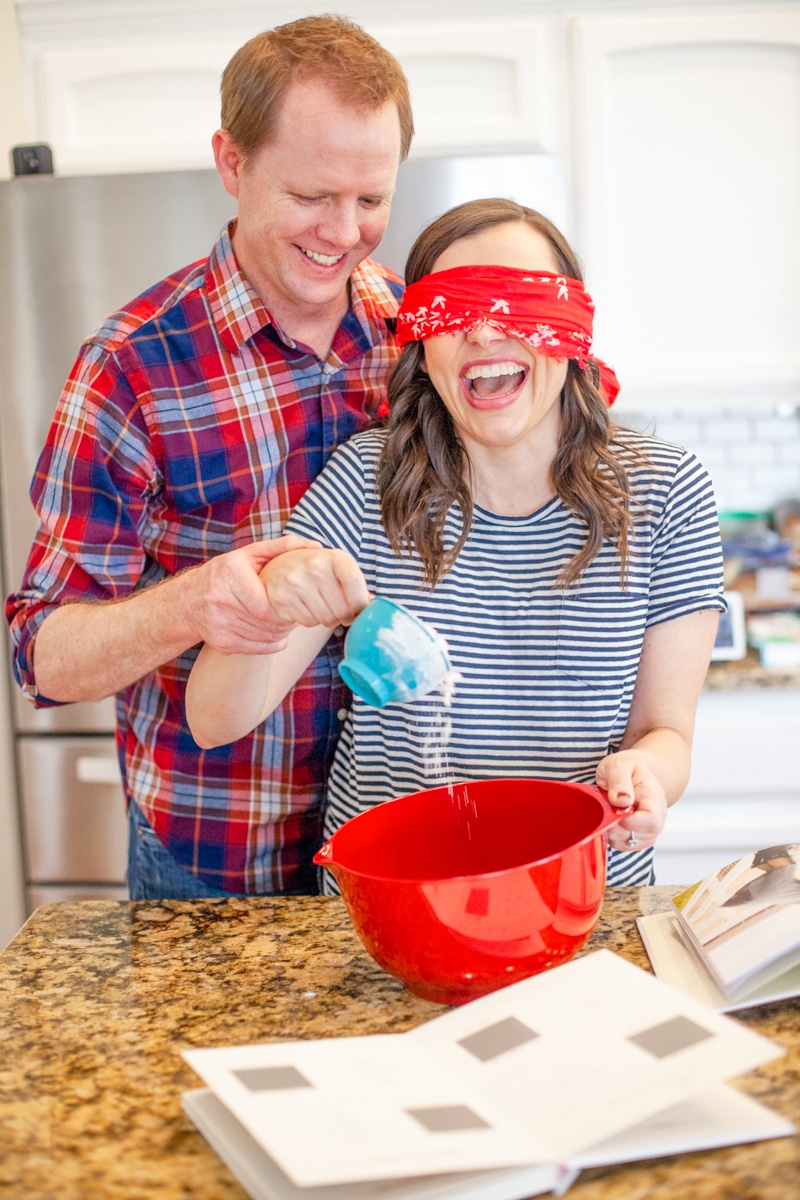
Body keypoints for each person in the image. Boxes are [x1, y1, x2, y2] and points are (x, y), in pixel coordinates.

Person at [186, 197, 726, 888]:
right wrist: (269, 606)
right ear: (422, 344)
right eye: (453, 311)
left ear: (573, 330)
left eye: (519, 300)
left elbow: (666, 733)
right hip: (390, 900)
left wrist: (645, 775)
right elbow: (213, 721)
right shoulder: (363, 482)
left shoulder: (666, 491)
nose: (484, 331)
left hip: (584, 894)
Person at [5, 15, 413, 899]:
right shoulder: (132, 367)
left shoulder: (415, 338)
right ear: (233, 163)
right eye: (313, 195)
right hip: (216, 855)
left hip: (398, 839)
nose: (344, 233)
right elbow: (39, 653)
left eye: (372, 199)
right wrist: (195, 602)